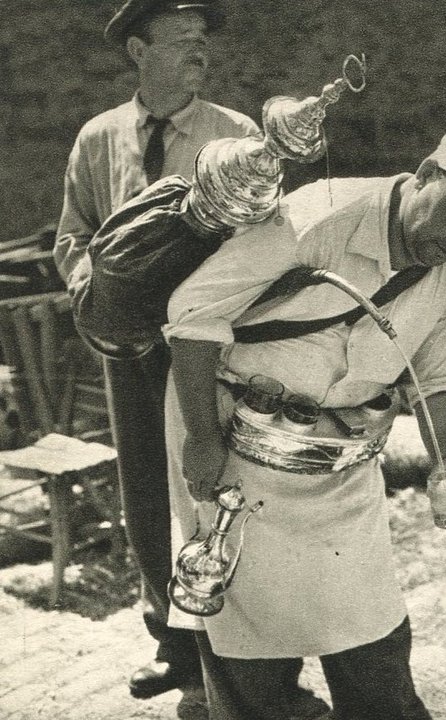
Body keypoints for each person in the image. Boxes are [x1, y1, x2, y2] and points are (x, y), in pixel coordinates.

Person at [160, 121, 446, 719]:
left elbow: (437, 377)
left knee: (370, 625)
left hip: (341, 458)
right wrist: (202, 441)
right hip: (235, 435)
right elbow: (193, 317)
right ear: (425, 175)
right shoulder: (320, 217)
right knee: (247, 625)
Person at [53, 0, 260, 700]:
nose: (199, 51)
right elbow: (74, 233)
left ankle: (236, 651)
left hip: (208, 342)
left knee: (214, 484)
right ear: (138, 52)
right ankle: (172, 645)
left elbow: (265, 238)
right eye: (180, 40)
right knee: (144, 488)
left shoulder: (235, 134)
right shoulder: (99, 136)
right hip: (127, 347)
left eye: (202, 40)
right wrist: (92, 292)